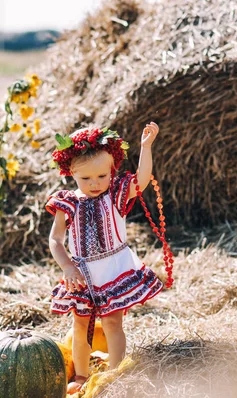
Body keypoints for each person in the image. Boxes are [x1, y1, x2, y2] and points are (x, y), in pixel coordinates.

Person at [46, 122, 167, 393]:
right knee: (80, 324)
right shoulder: (67, 203)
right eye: (86, 179)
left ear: (111, 170)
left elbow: (142, 179)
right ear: (71, 173)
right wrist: (67, 266)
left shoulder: (116, 192)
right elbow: (55, 240)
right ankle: (79, 375)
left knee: (113, 322)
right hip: (81, 273)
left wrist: (146, 147)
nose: (95, 183)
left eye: (101, 176)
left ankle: (116, 373)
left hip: (113, 268)